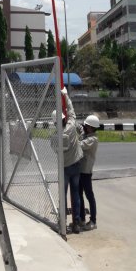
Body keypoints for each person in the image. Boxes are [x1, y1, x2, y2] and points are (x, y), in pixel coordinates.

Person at [52, 88, 83, 234]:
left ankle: (63, 222)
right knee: (75, 193)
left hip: (63, 167)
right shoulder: (71, 128)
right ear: (64, 119)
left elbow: (55, 150)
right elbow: (72, 112)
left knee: (63, 195)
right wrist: (65, 95)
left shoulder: (55, 137)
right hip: (76, 165)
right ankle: (76, 222)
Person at [78, 114, 100, 231]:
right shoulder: (86, 134)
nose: (84, 127)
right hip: (80, 170)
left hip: (86, 171)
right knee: (79, 195)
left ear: (90, 127)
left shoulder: (92, 139)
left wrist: (71, 138)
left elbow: (80, 145)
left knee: (89, 196)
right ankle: (81, 219)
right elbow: (80, 129)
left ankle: (93, 221)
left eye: (86, 125)